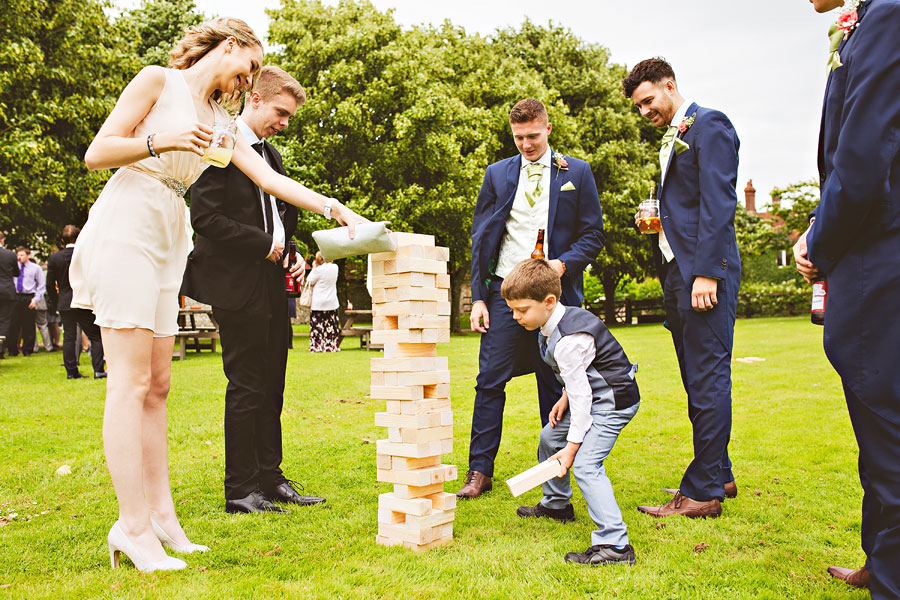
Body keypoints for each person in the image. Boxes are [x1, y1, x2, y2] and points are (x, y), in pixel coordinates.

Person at [69, 18, 366, 572]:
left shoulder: (222, 119)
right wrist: (162, 140)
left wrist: (335, 209)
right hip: (128, 222)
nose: (249, 79)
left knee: (158, 385)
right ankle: (131, 526)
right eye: (249, 65)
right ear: (230, 44)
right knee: (130, 383)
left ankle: (162, 521)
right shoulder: (158, 81)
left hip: (167, 234)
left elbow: (270, 181)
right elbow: (96, 153)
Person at [181, 65, 327, 514]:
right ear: (256, 99)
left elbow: (281, 220)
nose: (284, 122)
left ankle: (271, 478)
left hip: (271, 285)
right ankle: (240, 490)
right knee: (246, 387)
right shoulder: (220, 145)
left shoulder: (272, 156)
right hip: (235, 285)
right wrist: (267, 245)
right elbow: (204, 219)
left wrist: (293, 251)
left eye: (290, 117)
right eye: (281, 112)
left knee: (273, 386)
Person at [793, 1, 900, 595]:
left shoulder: (888, 14)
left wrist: (820, 242)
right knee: (875, 428)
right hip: (868, 250)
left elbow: (860, 163)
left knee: (887, 429)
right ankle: (883, 560)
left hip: (878, 255)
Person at [459, 98, 606, 499]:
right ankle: (479, 471)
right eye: (519, 137)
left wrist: (562, 265)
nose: (526, 144)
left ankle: (555, 478)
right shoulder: (497, 174)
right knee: (489, 381)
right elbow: (481, 238)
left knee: (554, 382)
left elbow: (593, 235)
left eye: (533, 136)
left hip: (553, 297)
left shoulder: (577, 172)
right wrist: (479, 297)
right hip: (505, 292)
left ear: (548, 129)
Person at [623, 58, 741, 519]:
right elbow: (686, 207)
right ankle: (721, 471)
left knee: (708, 379)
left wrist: (707, 272)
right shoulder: (674, 137)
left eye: (648, 100)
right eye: (638, 106)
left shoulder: (709, 125)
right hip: (677, 275)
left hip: (702, 276)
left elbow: (719, 200)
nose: (644, 112)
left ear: (670, 85)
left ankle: (703, 491)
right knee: (696, 379)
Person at [503, 259, 640, 566]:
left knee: (586, 466)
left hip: (614, 402)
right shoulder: (552, 323)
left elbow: (584, 400)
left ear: (549, 302)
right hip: (591, 395)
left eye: (522, 310)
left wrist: (572, 450)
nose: (515, 317)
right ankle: (556, 504)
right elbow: (581, 377)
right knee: (550, 436)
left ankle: (615, 545)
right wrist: (564, 396)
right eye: (512, 309)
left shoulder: (567, 340)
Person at [47, 225, 106, 379]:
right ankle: (98, 370)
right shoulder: (85, 256)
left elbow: (49, 284)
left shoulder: (55, 258)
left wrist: (56, 301)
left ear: (62, 240)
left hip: (65, 302)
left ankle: (71, 372)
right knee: (96, 336)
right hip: (82, 300)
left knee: (69, 338)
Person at [8, 247, 45, 357]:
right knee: (13, 324)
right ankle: (12, 349)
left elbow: (41, 285)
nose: (19, 257)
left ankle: (28, 349)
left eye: (22, 255)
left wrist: (36, 299)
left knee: (28, 325)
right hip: (16, 296)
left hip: (28, 296)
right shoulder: (14, 267)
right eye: (18, 255)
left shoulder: (36, 268)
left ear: (28, 256)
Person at [306, 251, 341, 353]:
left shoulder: (318, 270)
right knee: (331, 325)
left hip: (319, 302)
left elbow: (309, 280)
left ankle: (317, 345)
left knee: (317, 326)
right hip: (332, 301)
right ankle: (331, 345)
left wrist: (314, 268)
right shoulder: (335, 268)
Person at [0, 232, 17, 358]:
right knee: (5, 320)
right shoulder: (10, 255)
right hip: (7, 291)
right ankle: (1, 347)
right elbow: (16, 272)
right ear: (2, 240)